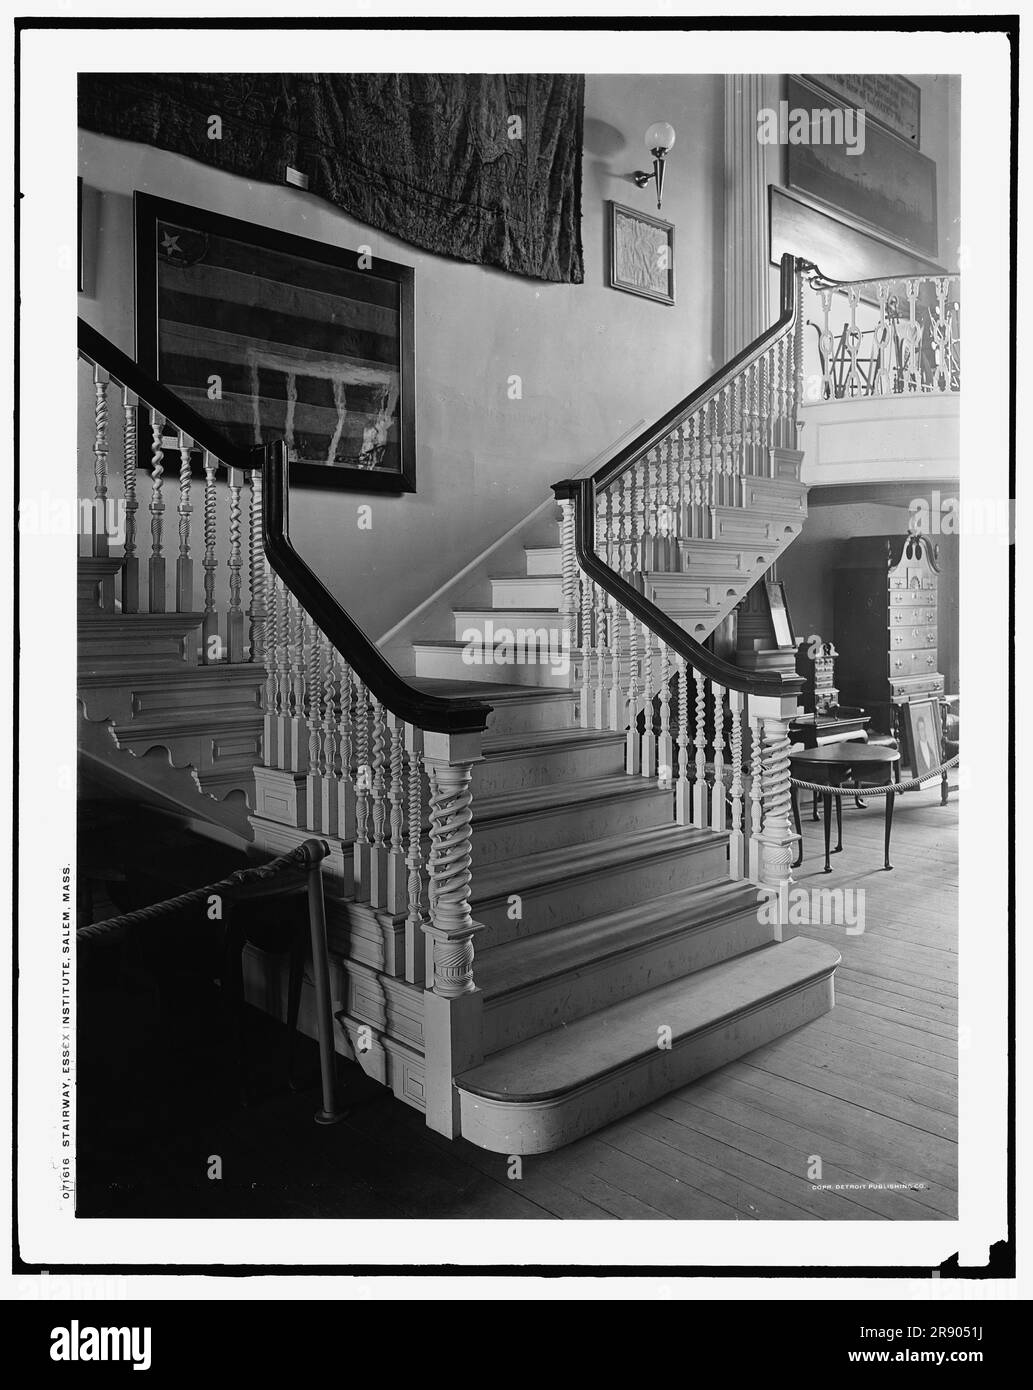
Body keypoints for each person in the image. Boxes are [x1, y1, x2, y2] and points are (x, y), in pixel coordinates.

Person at [913, 713, 938, 777]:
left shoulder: (931, 749)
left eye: (923, 728)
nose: (923, 731)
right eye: (921, 729)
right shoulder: (916, 751)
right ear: (918, 732)